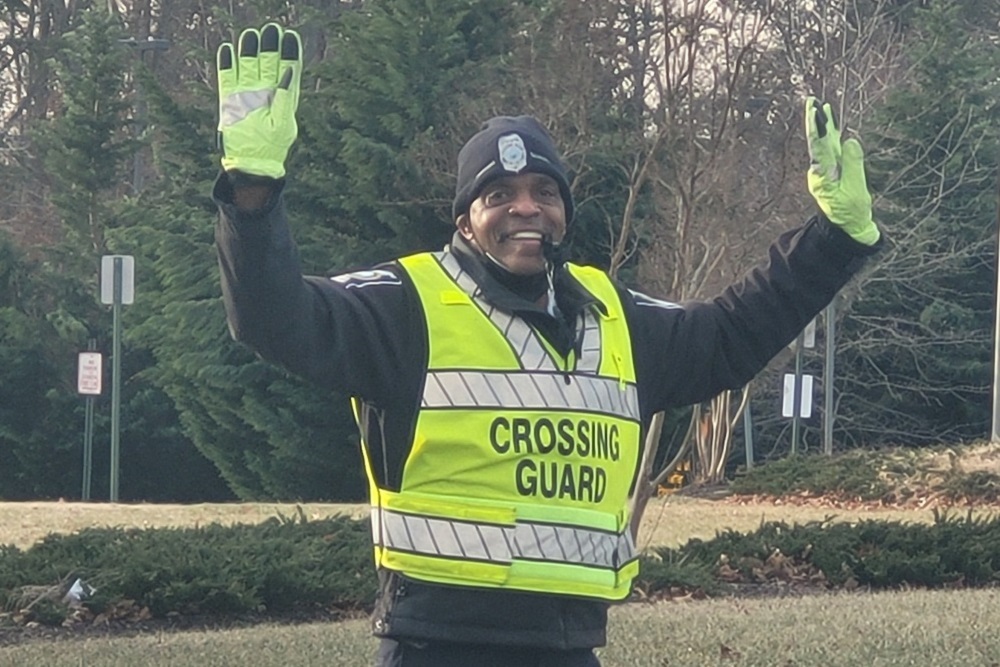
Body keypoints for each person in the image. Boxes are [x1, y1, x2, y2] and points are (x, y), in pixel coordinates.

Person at [213, 24, 880, 667]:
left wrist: (834, 241)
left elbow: (732, 335)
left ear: (564, 209)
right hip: (436, 645)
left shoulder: (615, 315)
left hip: (569, 645)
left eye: (543, 192)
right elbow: (275, 319)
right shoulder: (404, 306)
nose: (525, 208)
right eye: (497, 194)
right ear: (465, 221)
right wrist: (253, 193)